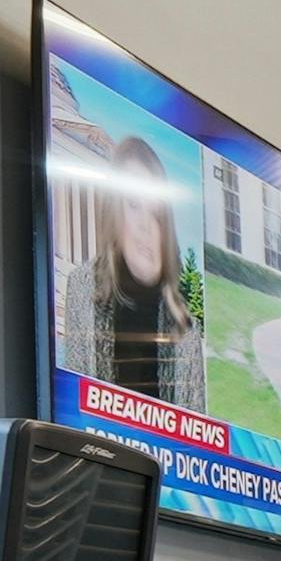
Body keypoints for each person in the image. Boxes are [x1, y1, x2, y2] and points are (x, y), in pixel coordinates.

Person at [89, 136, 199, 402]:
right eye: (134, 206)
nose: (146, 227)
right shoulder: (86, 290)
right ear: (114, 214)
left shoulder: (186, 327)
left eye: (156, 214)